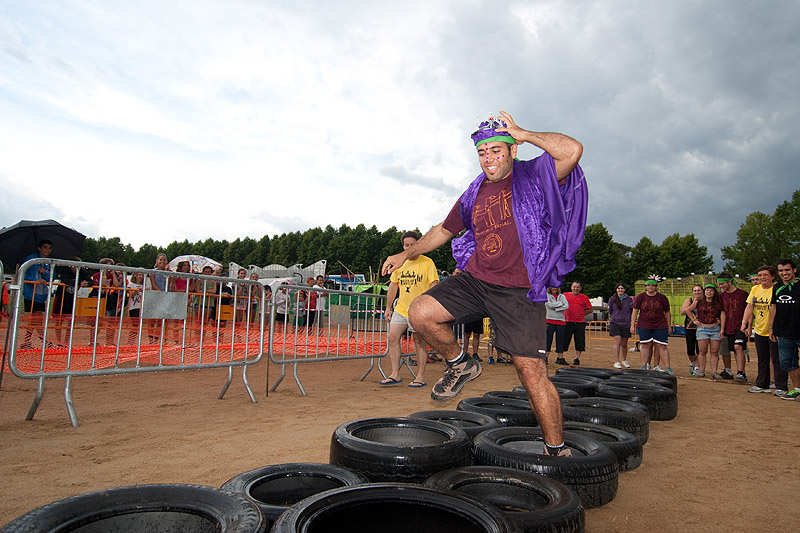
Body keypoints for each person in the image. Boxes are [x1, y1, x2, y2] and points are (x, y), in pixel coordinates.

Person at [381, 110, 586, 457]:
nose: (489, 158)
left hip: (520, 289)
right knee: (421, 312)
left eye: (496, 150)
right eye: (482, 152)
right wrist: (407, 255)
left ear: (512, 151)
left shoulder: (535, 173)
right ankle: (461, 363)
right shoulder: (474, 192)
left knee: (531, 371)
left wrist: (523, 132)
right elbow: (443, 231)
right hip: (477, 280)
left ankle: (556, 449)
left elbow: (572, 150)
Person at [382, 231, 439, 388]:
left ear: (418, 245)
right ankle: (394, 374)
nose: (410, 247)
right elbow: (393, 285)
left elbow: (434, 284)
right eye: (407, 245)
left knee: (418, 341)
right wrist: (388, 307)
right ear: (403, 246)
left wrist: (428, 305)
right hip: (401, 308)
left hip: (419, 310)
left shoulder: (427, 263)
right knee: (393, 337)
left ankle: (420, 377)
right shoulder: (400, 263)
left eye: (413, 245)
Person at [742, 266, 788, 394]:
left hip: (775, 329)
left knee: (777, 359)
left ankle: (781, 386)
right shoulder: (755, 289)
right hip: (760, 329)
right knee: (762, 358)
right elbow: (750, 306)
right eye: (760, 275)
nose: (762, 278)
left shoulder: (777, 289)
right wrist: (744, 323)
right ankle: (762, 384)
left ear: (772, 277)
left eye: (765, 275)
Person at [768, 259, 800, 400]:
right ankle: (797, 389)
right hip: (784, 332)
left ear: (794, 270)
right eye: (781, 271)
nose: (784, 273)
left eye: (787, 270)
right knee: (788, 362)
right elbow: (773, 307)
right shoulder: (777, 287)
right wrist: (771, 328)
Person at [631, 279, 675, 374]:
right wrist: (632, 324)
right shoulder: (640, 297)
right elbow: (635, 311)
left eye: (653, 285)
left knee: (662, 346)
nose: (650, 287)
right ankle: (644, 365)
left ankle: (667, 367)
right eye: (648, 285)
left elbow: (667, 312)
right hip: (644, 324)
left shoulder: (662, 298)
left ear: (656, 287)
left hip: (660, 325)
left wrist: (669, 326)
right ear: (646, 287)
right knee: (645, 345)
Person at [684, 284, 724, 378]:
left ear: (714, 292)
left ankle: (714, 371)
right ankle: (701, 370)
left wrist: (721, 323)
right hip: (703, 328)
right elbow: (688, 310)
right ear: (704, 292)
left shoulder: (718, 303)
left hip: (715, 328)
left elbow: (722, 313)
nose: (709, 292)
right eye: (707, 290)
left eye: (711, 290)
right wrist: (694, 320)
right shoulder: (699, 302)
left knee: (714, 351)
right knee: (702, 351)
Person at [20, 240, 53, 349]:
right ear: (39, 248)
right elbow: (23, 273)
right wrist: (35, 279)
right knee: (37, 317)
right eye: (45, 247)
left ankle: (27, 341)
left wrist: (45, 274)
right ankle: (45, 341)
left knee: (34, 319)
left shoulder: (47, 262)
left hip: (41, 295)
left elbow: (51, 277)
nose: (47, 250)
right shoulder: (32, 259)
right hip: (31, 294)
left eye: (49, 248)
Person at [717, 272, 749, 381]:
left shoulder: (743, 294)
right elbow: (723, 312)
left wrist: (747, 326)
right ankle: (735, 371)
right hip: (728, 326)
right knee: (731, 350)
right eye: (719, 285)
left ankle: (741, 372)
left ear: (729, 282)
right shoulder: (722, 296)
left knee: (738, 347)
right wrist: (722, 328)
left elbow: (749, 310)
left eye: (722, 284)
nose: (721, 287)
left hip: (741, 326)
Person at [562, 281, 593, 365]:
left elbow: (590, 309)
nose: (576, 289)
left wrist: (582, 313)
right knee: (564, 339)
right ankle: (561, 357)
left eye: (578, 287)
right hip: (567, 321)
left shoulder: (584, 298)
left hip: (579, 322)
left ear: (580, 288)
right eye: (574, 286)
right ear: (571, 287)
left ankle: (577, 358)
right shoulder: (565, 295)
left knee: (579, 340)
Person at [607, 283, 634, 369]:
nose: (620, 290)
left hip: (626, 323)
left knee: (624, 343)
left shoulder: (629, 299)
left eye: (622, 288)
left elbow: (631, 310)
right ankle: (616, 361)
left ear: (624, 290)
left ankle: (624, 360)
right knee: (617, 341)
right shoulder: (612, 299)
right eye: (618, 288)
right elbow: (610, 310)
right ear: (616, 290)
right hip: (615, 323)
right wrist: (614, 317)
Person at [680, 284, 703, 374]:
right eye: (695, 291)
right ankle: (692, 362)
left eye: (699, 290)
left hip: (702, 326)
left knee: (699, 348)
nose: (697, 292)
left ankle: (698, 366)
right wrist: (693, 304)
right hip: (690, 326)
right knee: (690, 348)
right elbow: (682, 311)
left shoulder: (705, 300)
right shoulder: (689, 300)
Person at [545, 286, 569, 366]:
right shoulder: (547, 295)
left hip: (561, 321)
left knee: (560, 340)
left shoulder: (562, 296)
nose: (554, 289)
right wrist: (560, 304)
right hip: (549, 319)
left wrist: (556, 308)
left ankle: (560, 358)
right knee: (548, 339)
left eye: (556, 287)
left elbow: (566, 306)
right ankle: (545, 357)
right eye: (552, 287)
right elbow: (549, 305)